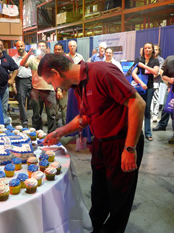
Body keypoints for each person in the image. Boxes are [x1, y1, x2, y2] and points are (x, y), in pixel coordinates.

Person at [38, 54, 145, 233]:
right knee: (99, 194)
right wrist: (60, 131)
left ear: (56, 73)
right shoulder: (78, 85)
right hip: (101, 144)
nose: (53, 87)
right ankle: (93, 228)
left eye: (50, 82)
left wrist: (129, 148)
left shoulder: (102, 72)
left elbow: (137, 103)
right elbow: (87, 116)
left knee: (119, 199)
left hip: (122, 143)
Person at [153, 41, 174, 144]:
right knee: (171, 112)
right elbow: (163, 75)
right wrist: (169, 80)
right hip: (173, 91)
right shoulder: (171, 61)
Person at [20, 40, 57, 133]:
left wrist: (59, 89)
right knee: (36, 115)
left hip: (50, 90)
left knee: (51, 114)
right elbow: (22, 64)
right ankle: (37, 134)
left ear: (47, 48)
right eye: (39, 46)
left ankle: (51, 135)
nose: (41, 48)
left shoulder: (52, 60)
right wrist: (29, 53)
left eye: (43, 46)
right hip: (36, 91)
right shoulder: (32, 59)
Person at [132, 42, 159, 141]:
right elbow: (133, 73)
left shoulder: (155, 61)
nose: (147, 50)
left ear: (152, 49)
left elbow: (155, 72)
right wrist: (141, 83)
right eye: (145, 48)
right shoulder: (139, 59)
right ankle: (136, 132)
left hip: (150, 88)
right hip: (139, 87)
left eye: (149, 48)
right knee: (138, 109)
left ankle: (148, 133)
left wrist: (143, 66)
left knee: (147, 110)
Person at [11, 40, 32, 128]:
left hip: (31, 80)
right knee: (21, 102)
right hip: (20, 81)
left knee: (35, 102)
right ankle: (24, 122)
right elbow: (11, 73)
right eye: (18, 46)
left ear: (25, 46)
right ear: (16, 47)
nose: (20, 48)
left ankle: (36, 121)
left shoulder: (31, 57)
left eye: (21, 46)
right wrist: (13, 85)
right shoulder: (13, 59)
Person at [54, 43, 69, 126]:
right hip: (53, 88)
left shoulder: (67, 60)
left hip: (64, 88)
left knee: (64, 108)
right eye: (55, 49)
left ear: (62, 50)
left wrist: (61, 89)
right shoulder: (51, 60)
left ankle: (65, 127)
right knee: (54, 110)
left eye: (59, 49)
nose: (57, 51)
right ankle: (54, 129)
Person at [151, 45, 165, 122]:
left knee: (155, 99)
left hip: (156, 82)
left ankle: (155, 115)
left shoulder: (161, 60)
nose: (155, 51)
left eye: (157, 50)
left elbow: (159, 71)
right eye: (154, 49)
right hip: (147, 82)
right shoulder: (149, 58)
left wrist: (150, 76)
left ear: (159, 51)